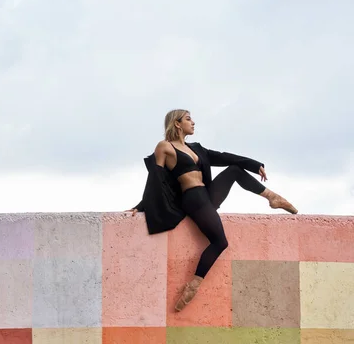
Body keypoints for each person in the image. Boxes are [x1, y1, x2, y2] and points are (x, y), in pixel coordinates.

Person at [127, 109, 297, 312]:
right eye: (188, 119)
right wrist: (141, 205)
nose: (193, 122)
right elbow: (155, 178)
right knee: (220, 242)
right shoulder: (165, 147)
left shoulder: (197, 148)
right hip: (192, 198)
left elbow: (224, 157)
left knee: (234, 170)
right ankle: (193, 286)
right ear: (177, 123)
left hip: (206, 195)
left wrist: (255, 164)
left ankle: (273, 198)